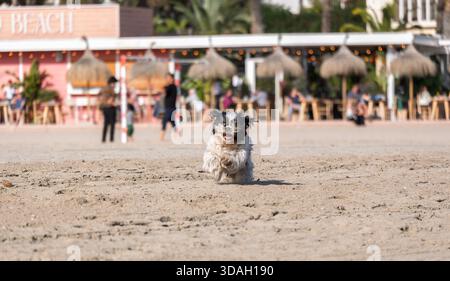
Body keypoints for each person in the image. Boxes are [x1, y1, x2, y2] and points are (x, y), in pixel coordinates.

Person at [98, 76, 118, 143]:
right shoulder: (111, 89)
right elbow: (112, 99)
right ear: (112, 83)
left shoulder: (103, 88)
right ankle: (111, 139)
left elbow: (99, 96)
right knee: (112, 123)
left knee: (106, 123)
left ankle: (103, 139)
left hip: (103, 107)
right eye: (114, 83)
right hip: (109, 107)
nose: (115, 85)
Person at [160, 74, 178, 141]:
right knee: (172, 122)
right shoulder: (171, 87)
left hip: (170, 108)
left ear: (172, 79)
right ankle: (178, 134)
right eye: (166, 78)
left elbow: (166, 90)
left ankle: (162, 135)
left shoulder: (172, 86)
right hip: (170, 107)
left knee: (164, 120)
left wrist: (164, 87)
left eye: (168, 78)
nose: (167, 79)